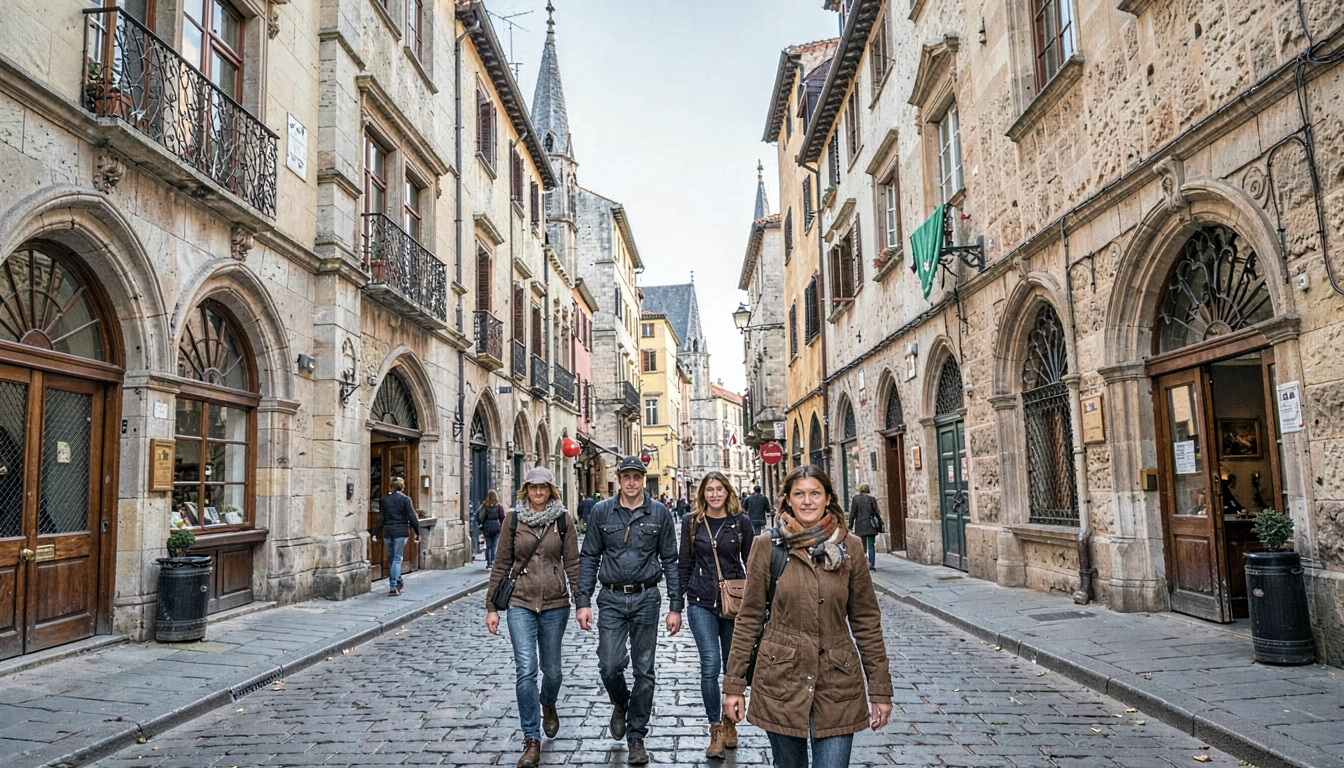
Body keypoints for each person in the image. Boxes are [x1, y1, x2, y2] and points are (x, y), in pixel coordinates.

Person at [722, 465, 893, 768]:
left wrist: (880, 690)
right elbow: (748, 619)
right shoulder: (767, 546)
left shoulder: (851, 547)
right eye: (799, 494)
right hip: (780, 680)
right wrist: (734, 685)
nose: (807, 501)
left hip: (837, 681)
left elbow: (866, 622)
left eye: (815, 493)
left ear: (828, 498)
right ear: (788, 499)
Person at [576, 456, 682, 766]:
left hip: (646, 598)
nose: (632, 482)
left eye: (637, 477)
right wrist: (583, 601)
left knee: (644, 670)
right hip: (610, 598)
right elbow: (589, 557)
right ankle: (621, 702)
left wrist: (675, 606)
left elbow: (671, 560)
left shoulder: (659, 513)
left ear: (642, 479)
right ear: (620, 479)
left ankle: (636, 737)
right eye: (627, 477)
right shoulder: (601, 512)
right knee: (609, 664)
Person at [486, 467, 580, 768]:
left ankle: (548, 702)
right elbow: (501, 563)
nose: (538, 492)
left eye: (543, 487)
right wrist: (491, 607)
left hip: (555, 604)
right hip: (520, 602)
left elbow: (573, 563)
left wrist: (582, 602)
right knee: (526, 670)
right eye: (533, 487)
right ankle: (531, 738)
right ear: (525, 489)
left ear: (551, 490)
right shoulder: (513, 520)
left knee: (553, 673)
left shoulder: (564, 520)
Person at [677, 470, 754, 759]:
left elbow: (752, 563)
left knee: (733, 667)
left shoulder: (741, 522)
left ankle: (729, 719)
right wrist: (676, 605)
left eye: (719, 489)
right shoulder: (692, 522)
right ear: (703, 494)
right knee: (710, 664)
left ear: (727, 492)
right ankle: (716, 729)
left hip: (734, 604)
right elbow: (684, 563)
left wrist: (760, 603)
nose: (714, 494)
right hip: (700, 600)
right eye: (709, 490)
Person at [369, 477, 421, 596]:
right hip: (401, 532)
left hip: (388, 532)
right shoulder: (406, 499)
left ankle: (397, 581)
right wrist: (417, 533)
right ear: (402, 487)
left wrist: (375, 533)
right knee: (397, 558)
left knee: (392, 558)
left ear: (391, 487)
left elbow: (381, 518)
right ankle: (393, 585)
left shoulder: (385, 500)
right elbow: (412, 516)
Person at [848, 484, 881, 567]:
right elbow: (876, 512)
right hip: (871, 525)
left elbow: (853, 513)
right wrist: (880, 523)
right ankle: (871, 564)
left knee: (862, 546)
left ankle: (863, 564)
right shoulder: (872, 499)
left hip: (860, 525)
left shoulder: (856, 499)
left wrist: (850, 525)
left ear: (860, 490)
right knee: (871, 545)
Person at [476, 489, 506, 567]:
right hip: (496, 527)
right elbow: (502, 517)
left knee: (488, 546)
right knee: (494, 545)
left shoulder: (484, 506)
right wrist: (502, 525)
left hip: (487, 527)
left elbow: (478, 515)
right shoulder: (499, 506)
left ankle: (488, 562)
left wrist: (481, 524)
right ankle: (493, 561)